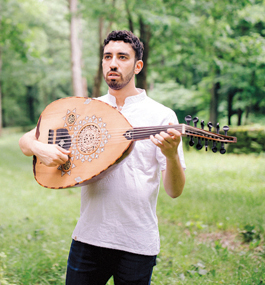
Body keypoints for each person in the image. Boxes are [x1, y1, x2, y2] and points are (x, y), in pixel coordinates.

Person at [19, 30, 186, 285]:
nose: (113, 63)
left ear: (137, 65)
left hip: (137, 243)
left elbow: (175, 191)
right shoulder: (87, 108)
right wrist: (41, 149)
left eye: (122, 57)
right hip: (89, 238)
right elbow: (26, 141)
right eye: (107, 56)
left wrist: (171, 155)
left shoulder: (162, 117)